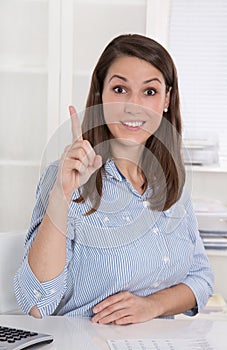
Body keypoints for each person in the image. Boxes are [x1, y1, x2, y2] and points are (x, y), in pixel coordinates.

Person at [14, 33, 214, 324]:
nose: (134, 105)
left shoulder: (172, 182)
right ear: (100, 95)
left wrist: (152, 306)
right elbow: (35, 303)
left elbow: (201, 279)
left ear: (167, 99)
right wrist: (62, 193)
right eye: (120, 89)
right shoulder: (67, 178)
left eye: (149, 92)